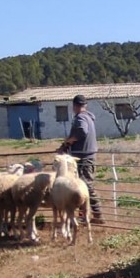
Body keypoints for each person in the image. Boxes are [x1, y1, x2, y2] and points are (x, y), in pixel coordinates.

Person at [56, 94, 103, 223]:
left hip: (83, 156)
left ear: (75, 106)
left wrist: (68, 141)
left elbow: (82, 131)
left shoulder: (81, 118)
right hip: (86, 154)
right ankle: (84, 214)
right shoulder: (89, 117)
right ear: (85, 105)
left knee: (86, 185)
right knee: (82, 186)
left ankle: (97, 214)